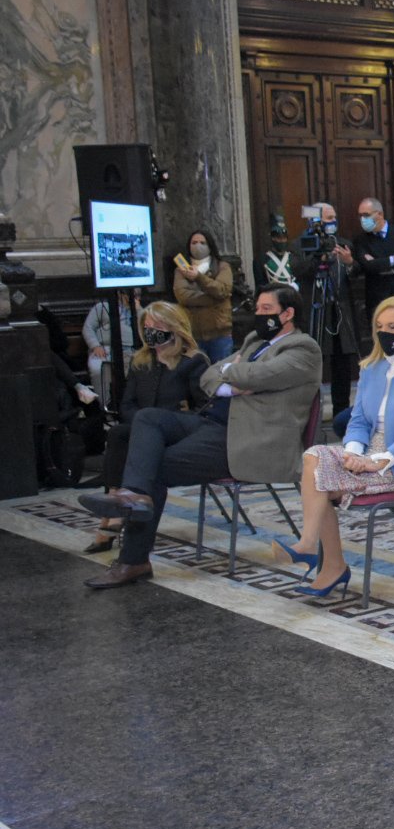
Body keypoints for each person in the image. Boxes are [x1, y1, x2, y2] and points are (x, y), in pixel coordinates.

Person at [78, 284, 323, 589]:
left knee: (152, 467)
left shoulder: (303, 348)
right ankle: (134, 494)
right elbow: (211, 375)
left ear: (288, 314)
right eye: (257, 308)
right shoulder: (254, 341)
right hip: (212, 423)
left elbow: (258, 376)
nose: (258, 315)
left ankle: (133, 559)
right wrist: (234, 380)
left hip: (248, 439)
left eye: (266, 310)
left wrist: (234, 375)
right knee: (148, 418)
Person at [275, 297, 394, 598]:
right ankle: (317, 552)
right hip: (367, 453)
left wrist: (379, 460)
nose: (385, 333)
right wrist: (353, 452)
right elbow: (357, 421)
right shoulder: (371, 368)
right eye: (379, 327)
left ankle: (321, 558)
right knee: (314, 456)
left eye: (393, 327)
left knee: (320, 484)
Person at [82, 302, 209, 554]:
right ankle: (117, 500)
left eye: (157, 326)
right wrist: (141, 424)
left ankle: (113, 512)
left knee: (122, 436)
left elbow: (204, 407)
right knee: (120, 434)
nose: (151, 331)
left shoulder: (192, 362)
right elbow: (127, 403)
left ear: (174, 327)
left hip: (175, 432)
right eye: (147, 326)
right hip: (140, 430)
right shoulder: (141, 361)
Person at [301, 203, 362, 416]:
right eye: (328, 218)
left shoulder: (343, 244)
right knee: (313, 363)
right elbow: (300, 270)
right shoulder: (303, 245)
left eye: (334, 217)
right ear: (315, 220)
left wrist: (349, 263)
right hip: (316, 313)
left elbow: (357, 275)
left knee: (342, 366)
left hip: (340, 312)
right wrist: (320, 258)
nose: (333, 222)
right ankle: (311, 413)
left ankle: (341, 412)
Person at [173, 229, 234, 362]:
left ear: (210, 246)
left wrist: (199, 277)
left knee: (221, 375)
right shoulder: (181, 270)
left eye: (202, 242)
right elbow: (183, 296)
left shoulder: (222, 266)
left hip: (219, 335)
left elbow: (221, 290)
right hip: (193, 335)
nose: (198, 246)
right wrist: (214, 299)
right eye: (194, 242)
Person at [350, 197, 394, 316]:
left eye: (366, 215)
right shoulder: (360, 240)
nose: (362, 219)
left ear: (379, 214)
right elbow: (367, 265)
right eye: (360, 215)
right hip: (376, 297)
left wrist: (380, 264)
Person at [83, 292, 139, 403]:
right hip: (105, 348)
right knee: (98, 369)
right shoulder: (102, 307)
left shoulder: (138, 310)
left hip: (132, 349)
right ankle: (105, 406)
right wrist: (95, 346)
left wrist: (138, 310)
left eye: (137, 295)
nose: (134, 297)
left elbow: (145, 327)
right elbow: (88, 328)